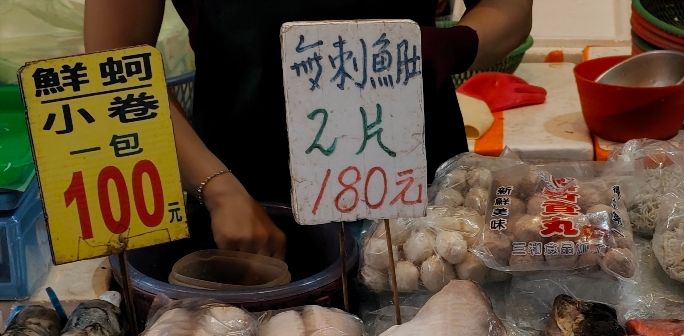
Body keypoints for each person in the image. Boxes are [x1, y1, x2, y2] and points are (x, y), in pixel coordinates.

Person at [85, 0, 532, 258]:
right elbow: (112, 59)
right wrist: (218, 190)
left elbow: (509, 9)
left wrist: (457, 44)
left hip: (419, 191)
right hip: (246, 202)